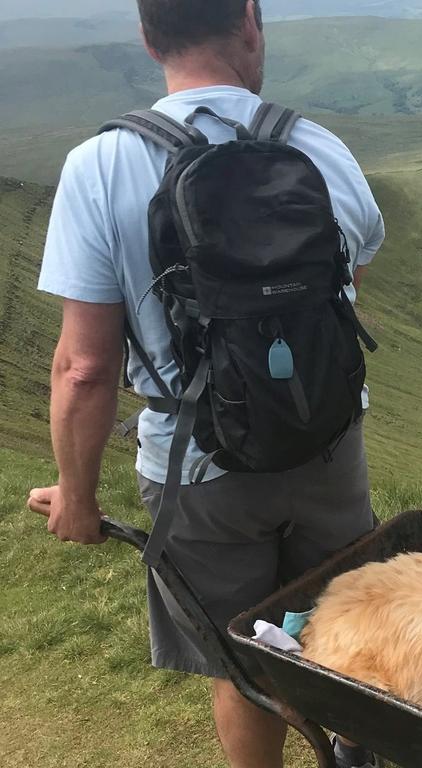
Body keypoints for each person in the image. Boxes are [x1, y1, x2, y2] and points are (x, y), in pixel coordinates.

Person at [26, 2, 384, 766]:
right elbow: (341, 294)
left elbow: (84, 366)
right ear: (251, 23)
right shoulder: (321, 151)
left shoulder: (99, 167)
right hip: (326, 447)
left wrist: (78, 496)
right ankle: (358, 752)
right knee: (352, 628)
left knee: (243, 661)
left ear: (148, 36)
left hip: (196, 472)